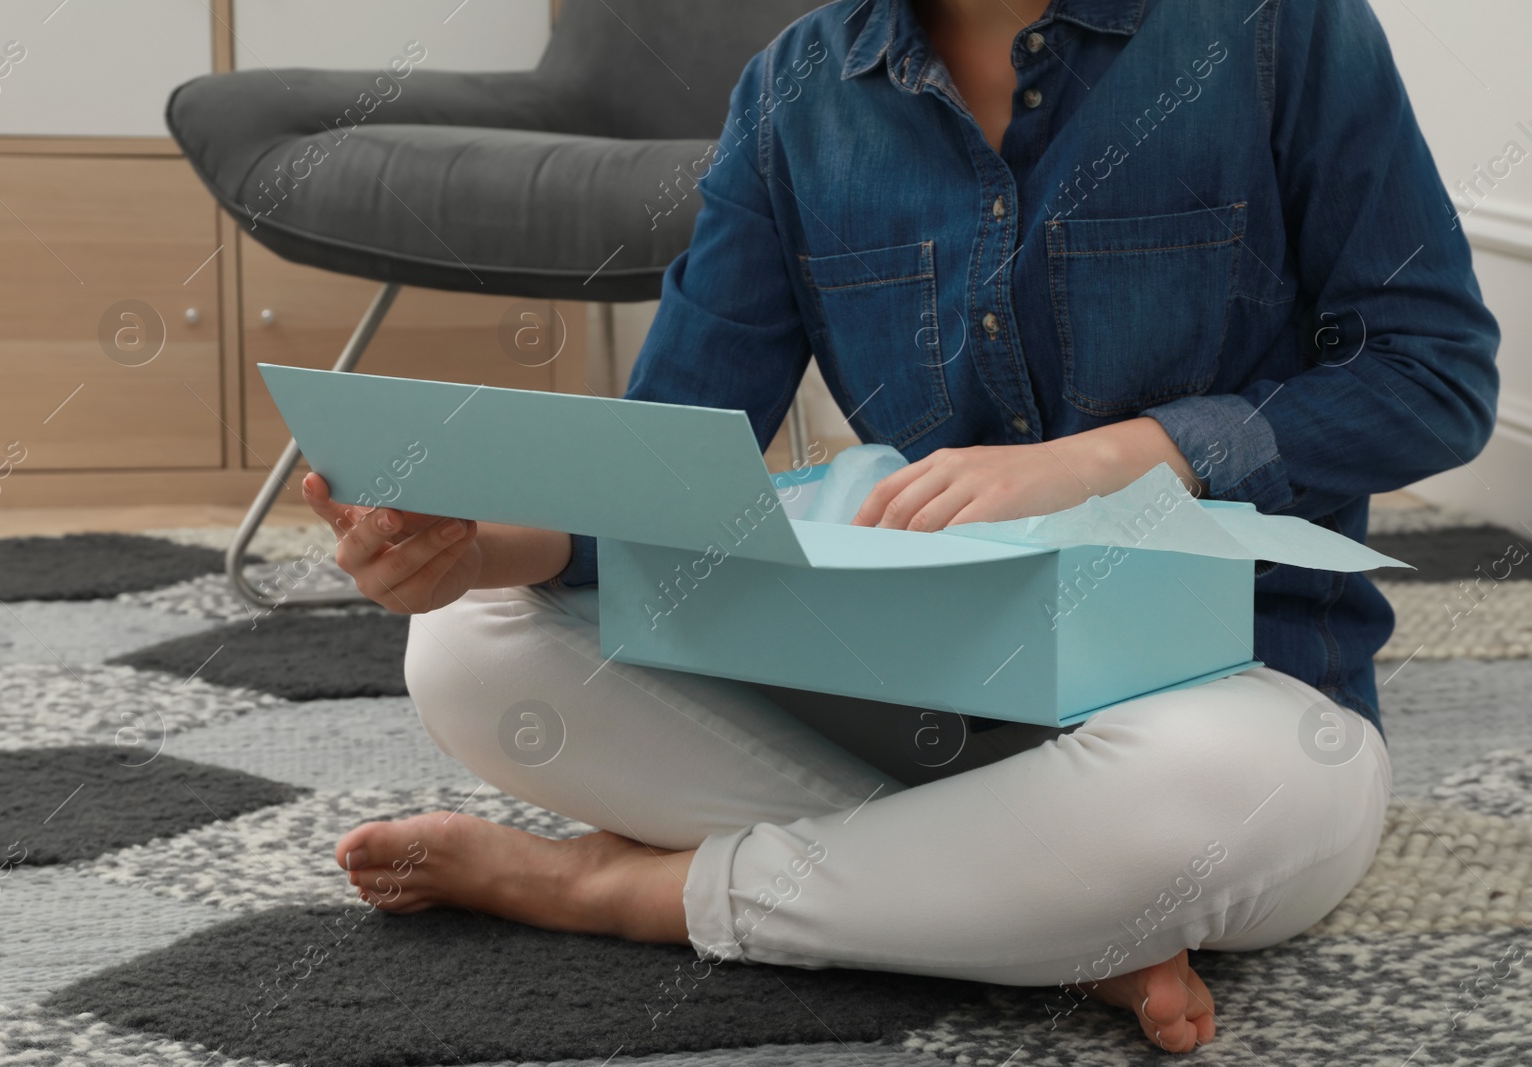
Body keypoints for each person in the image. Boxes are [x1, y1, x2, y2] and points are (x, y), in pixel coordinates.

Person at [301, 0, 1499, 1053]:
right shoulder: (793, 93)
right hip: (904, 700)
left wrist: (1118, 458)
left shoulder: (1283, 29)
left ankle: (617, 889)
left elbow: (1431, 377)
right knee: (471, 646)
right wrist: (478, 549)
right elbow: (667, 469)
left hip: (1230, 696)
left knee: (1231, 791)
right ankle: (1024, 913)